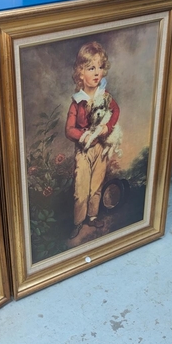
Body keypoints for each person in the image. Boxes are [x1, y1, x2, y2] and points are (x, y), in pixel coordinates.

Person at [65, 41, 120, 239]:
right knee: (81, 190)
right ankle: (78, 222)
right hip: (84, 150)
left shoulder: (104, 96)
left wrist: (108, 127)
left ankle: (92, 216)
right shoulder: (77, 101)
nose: (97, 72)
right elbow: (69, 129)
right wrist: (84, 135)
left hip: (102, 148)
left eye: (100, 67)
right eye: (91, 68)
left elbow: (116, 111)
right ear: (80, 73)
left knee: (96, 185)